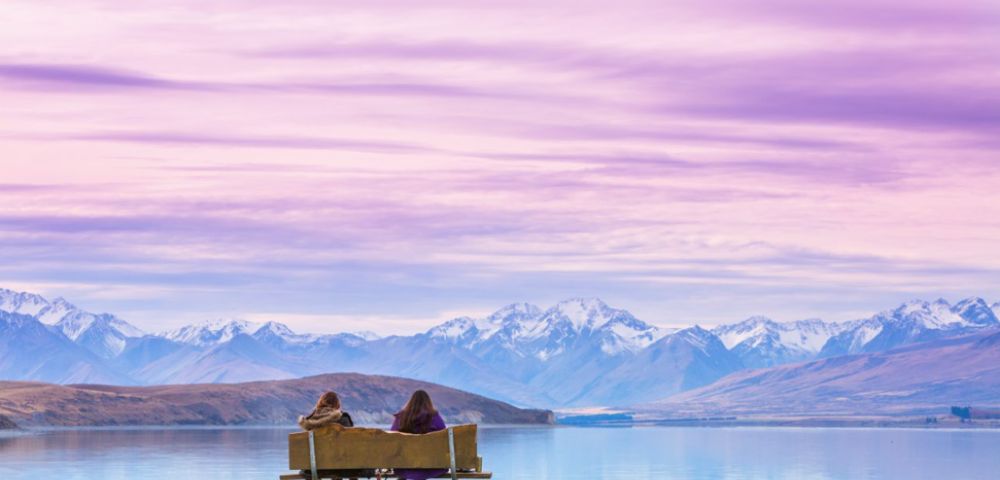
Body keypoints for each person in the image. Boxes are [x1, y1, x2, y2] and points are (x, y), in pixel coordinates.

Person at [389, 390, 449, 480]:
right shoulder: (434, 416)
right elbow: (445, 439)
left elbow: (391, 439)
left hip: (404, 466)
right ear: (428, 402)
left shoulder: (401, 417)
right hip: (431, 465)